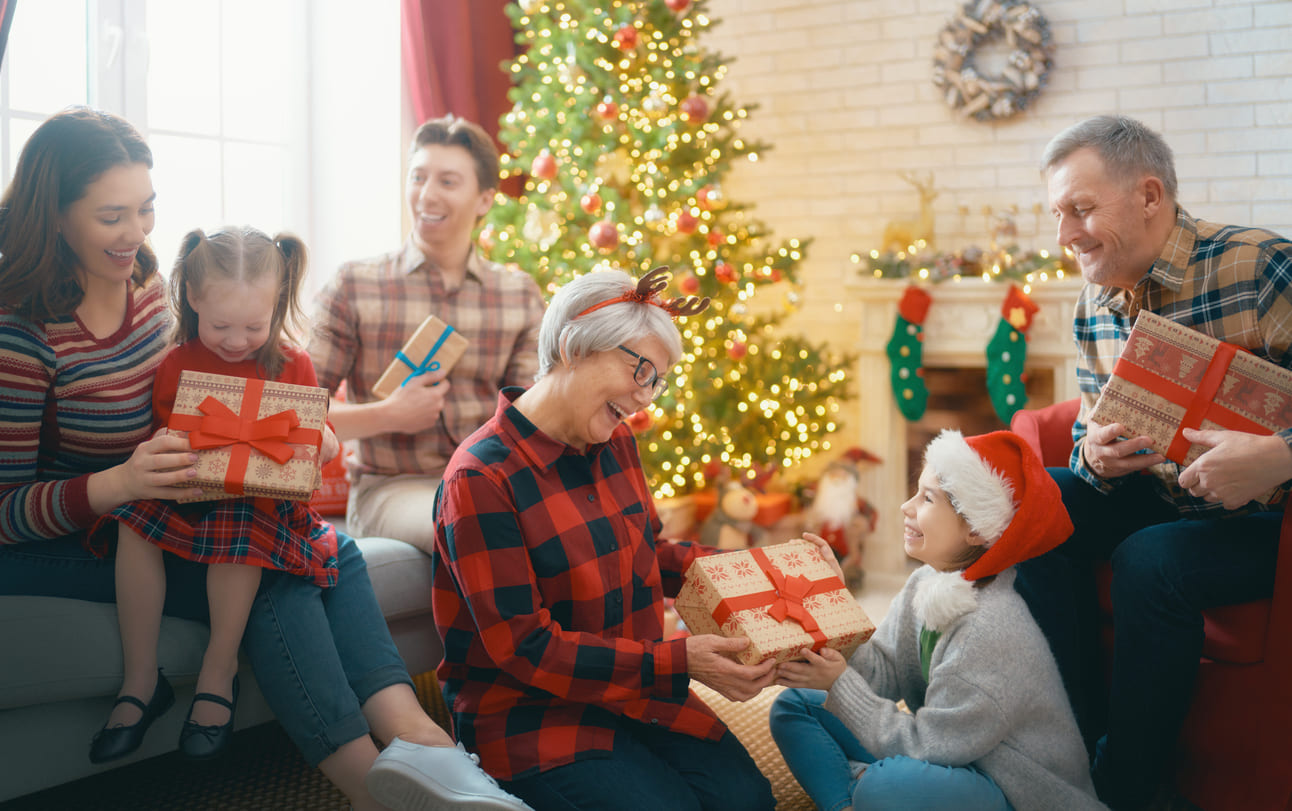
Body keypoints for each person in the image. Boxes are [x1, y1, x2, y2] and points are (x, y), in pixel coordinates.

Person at [0, 106, 526, 811]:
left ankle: (420, 740)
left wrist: (308, 436)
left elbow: (262, 386)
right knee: (285, 569)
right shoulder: (23, 332)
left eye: (147, 210)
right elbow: (5, 511)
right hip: (81, 530)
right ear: (54, 214)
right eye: (111, 216)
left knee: (332, 550)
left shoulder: (158, 292)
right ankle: (374, 786)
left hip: (188, 498)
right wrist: (120, 481)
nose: (136, 234)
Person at [1014, 114, 1292, 810]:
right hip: (1162, 498)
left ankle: (1130, 788)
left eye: (1080, 209)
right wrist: (1093, 456)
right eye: (1057, 214)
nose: (1064, 235)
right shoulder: (1091, 304)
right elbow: (1084, 433)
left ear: (1148, 195)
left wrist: (1278, 457)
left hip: (1271, 524)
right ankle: (1068, 752)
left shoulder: (1260, 265)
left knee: (1151, 558)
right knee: (1035, 503)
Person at [429, 267, 778, 811]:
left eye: (656, 380)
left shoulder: (616, 445)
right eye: (640, 370)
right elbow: (527, 650)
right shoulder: (481, 478)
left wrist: (767, 572)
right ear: (572, 346)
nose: (646, 397)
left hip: (630, 694)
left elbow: (650, 554)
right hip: (529, 715)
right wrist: (680, 661)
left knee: (749, 801)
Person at [82, 226, 340, 763]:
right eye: (221, 324)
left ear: (277, 304)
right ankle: (139, 680)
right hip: (192, 493)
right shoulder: (177, 363)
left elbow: (316, 437)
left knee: (239, 526)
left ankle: (217, 674)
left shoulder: (293, 363)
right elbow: (169, 438)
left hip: (262, 507)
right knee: (133, 522)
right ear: (193, 298)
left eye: (255, 324)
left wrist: (324, 443)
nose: (237, 340)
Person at [770, 430, 1100, 811]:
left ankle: (862, 788)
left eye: (927, 498)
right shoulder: (924, 584)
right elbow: (879, 678)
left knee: (885, 784)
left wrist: (840, 684)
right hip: (951, 763)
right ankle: (849, 802)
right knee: (796, 704)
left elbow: (928, 746)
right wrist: (835, 605)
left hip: (1013, 792)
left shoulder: (990, 628)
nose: (905, 508)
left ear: (977, 528)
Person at [308, 113, 546, 551]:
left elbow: (532, 415)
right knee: (471, 524)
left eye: (448, 182)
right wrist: (387, 414)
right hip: (392, 487)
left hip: (491, 480)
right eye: (418, 177)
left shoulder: (518, 294)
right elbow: (294, 409)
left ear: (484, 200)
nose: (426, 194)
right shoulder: (355, 283)